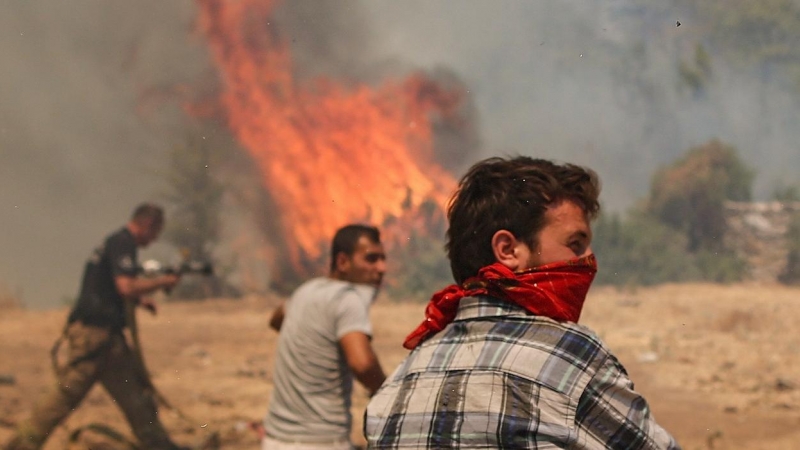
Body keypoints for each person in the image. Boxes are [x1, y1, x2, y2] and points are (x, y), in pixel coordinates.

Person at [364, 157, 680, 449]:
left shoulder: (401, 379)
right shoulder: (570, 355)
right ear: (508, 250)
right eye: (575, 244)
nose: (588, 261)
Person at [4, 204, 186, 450]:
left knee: (136, 398)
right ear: (147, 224)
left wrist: (141, 301)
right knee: (64, 397)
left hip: (107, 339)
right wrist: (163, 282)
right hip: (96, 337)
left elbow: (109, 287)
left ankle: (160, 446)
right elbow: (125, 286)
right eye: (154, 233)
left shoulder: (116, 242)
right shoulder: (123, 243)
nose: (153, 240)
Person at [264, 224, 388, 450]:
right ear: (342, 262)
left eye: (383, 259)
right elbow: (362, 364)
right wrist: (388, 393)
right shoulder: (348, 299)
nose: (381, 267)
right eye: (371, 259)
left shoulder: (306, 290)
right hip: (321, 442)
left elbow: (276, 319)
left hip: (275, 440)